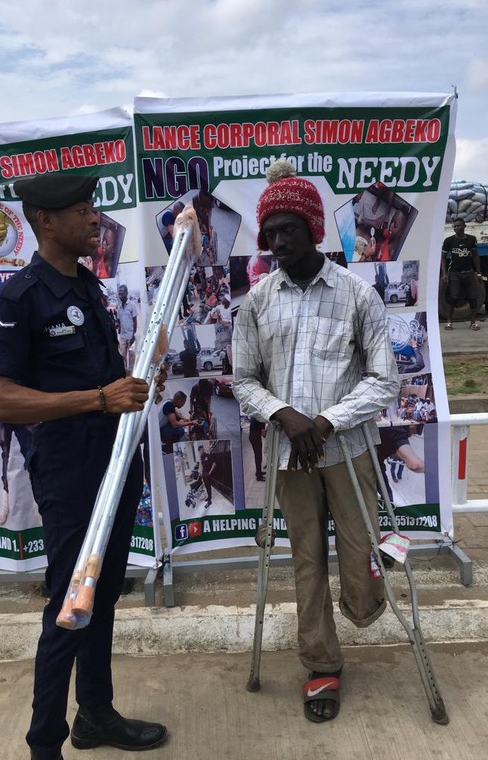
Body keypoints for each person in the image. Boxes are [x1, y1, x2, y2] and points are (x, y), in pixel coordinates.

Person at [0, 174, 167, 760]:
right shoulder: (19, 299)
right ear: (44, 220)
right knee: (69, 601)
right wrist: (98, 400)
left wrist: (138, 376)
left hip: (114, 458)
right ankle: (44, 746)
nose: (94, 220)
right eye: (82, 211)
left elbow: (106, 378)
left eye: (93, 209)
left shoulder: (89, 287)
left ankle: (95, 715)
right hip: (68, 470)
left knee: (105, 590)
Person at [232, 159, 399, 724]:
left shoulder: (356, 294)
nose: (278, 241)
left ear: (313, 231)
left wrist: (325, 421)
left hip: (347, 450)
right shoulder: (255, 302)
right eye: (270, 232)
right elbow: (243, 379)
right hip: (290, 455)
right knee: (306, 560)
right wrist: (283, 413)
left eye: (288, 229)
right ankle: (321, 663)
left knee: (359, 554)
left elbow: (384, 380)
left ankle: (363, 605)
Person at [441, 219, 483, 330]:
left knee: (473, 297)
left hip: (469, 273)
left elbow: (475, 256)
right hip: (455, 273)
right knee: (454, 297)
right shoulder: (449, 241)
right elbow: (443, 258)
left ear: (464, 226)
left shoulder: (471, 240)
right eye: (455, 226)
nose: (456, 228)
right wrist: (445, 274)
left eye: (459, 226)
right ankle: (449, 321)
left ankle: (473, 322)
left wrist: (478, 273)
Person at [116, 284, 138, 371]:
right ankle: (124, 372)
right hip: (123, 336)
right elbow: (118, 321)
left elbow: (135, 321)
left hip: (131, 335)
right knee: (122, 355)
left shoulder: (132, 305)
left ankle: (133, 373)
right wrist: (117, 325)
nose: (120, 296)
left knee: (132, 356)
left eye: (122, 294)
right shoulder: (119, 307)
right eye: (119, 294)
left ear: (126, 293)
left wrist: (133, 335)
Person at [198, 444, 216, 508]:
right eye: (201, 450)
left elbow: (214, 463)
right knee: (206, 486)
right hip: (203, 474)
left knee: (208, 486)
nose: (202, 450)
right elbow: (201, 466)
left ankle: (209, 501)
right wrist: (201, 473)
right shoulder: (201, 457)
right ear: (199, 451)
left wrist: (210, 472)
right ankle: (209, 497)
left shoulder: (208, 455)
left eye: (203, 449)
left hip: (208, 473)